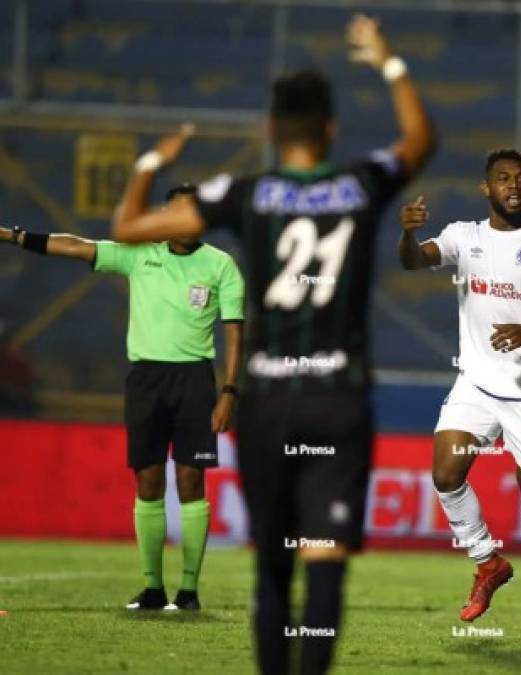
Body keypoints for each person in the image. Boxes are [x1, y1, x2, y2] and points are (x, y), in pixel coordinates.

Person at [105, 14, 434, 675]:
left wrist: (150, 162)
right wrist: (388, 61)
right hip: (337, 399)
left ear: (269, 131)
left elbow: (129, 226)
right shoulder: (361, 183)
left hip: (268, 401)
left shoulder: (245, 193)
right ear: (331, 130)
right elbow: (421, 141)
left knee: (273, 562)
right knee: (326, 559)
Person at [1, 174, 244, 613]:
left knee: (191, 482)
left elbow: (234, 333)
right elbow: (76, 245)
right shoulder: (139, 254)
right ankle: (153, 588)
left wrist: (229, 390)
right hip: (146, 380)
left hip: (195, 380)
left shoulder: (221, 265)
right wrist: (11, 235)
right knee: (148, 480)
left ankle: (188, 591)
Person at [398, 148, 521, 641]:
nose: (514, 185)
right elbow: (414, 262)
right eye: (504, 179)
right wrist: (407, 233)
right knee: (445, 473)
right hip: (477, 384)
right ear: (485, 189)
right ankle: (487, 561)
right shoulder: (465, 237)